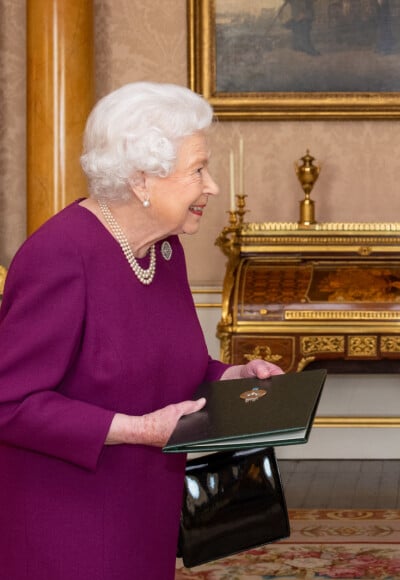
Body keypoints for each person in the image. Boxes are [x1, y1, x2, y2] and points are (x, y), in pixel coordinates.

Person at [0, 81, 283, 580]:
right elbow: (9, 403)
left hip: (144, 505)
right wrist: (139, 430)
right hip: (67, 520)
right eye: (197, 170)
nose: (211, 186)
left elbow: (169, 366)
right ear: (142, 181)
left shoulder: (163, 249)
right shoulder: (61, 255)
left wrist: (230, 376)